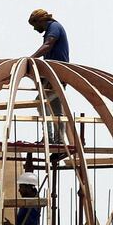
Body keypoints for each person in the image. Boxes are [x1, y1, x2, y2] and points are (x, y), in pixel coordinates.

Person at [28, 9, 69, 144]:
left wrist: (31, 58)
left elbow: (48, 45)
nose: (34, 29)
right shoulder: (53, 28)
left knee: (41, 103)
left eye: (34, 25)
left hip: (56, 75)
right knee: (56, 110)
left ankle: (49, 138)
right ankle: (59, 140)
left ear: (40, 20)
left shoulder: (54, 27)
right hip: (55, 74)